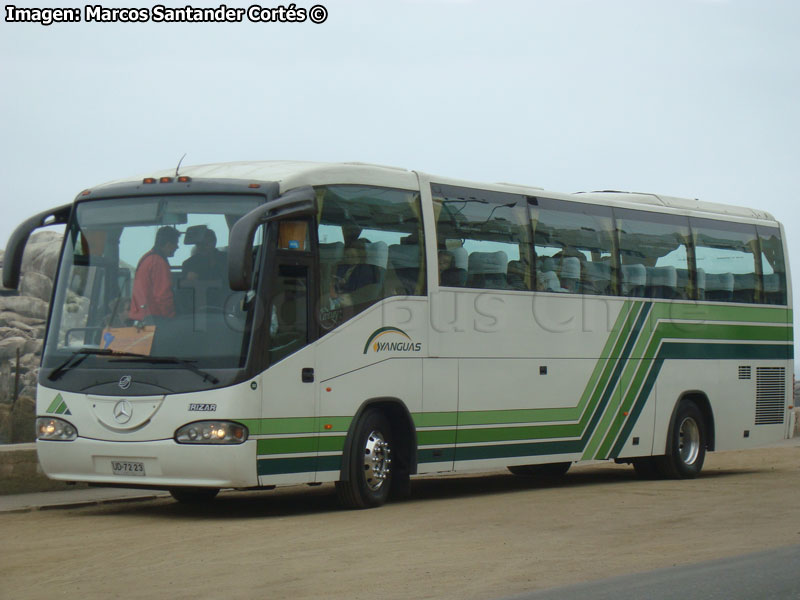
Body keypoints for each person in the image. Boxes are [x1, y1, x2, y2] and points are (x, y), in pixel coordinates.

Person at [128, 226, 179, 323]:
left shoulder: (146, 258)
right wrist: (172, 320)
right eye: (176, 244)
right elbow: (163, 296)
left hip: (141, 318)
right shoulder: (158, 262)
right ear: (168, 245)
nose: (177, 247)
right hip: (154, 320)